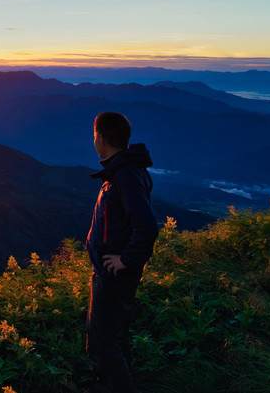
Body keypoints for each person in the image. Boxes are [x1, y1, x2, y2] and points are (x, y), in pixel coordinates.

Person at [85, 111, 158, 393]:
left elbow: (147, 226)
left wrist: (125, 260)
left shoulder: (124, 176)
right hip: (114, 274)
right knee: (114, 340)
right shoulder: (127, 170)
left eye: (95, 137)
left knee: (101, 346)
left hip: (113, 277)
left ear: (100, 139)